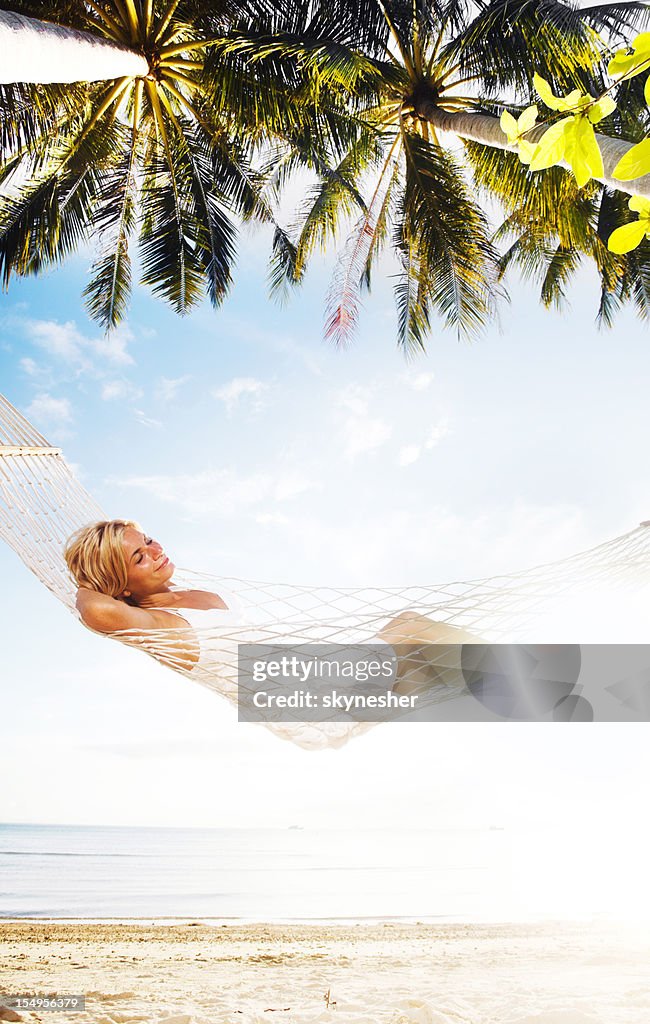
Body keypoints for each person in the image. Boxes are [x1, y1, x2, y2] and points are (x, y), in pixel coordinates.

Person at [64, 519, 478, 689]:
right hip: (308, 696)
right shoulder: (160, 625)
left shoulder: (186, 596)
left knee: (431, 658)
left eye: (148, 541)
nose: (155, 552)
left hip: (317, 668)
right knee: (412, 629)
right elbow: (96, 610)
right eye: (139, 558)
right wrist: (88, 581)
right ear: (118, 583)